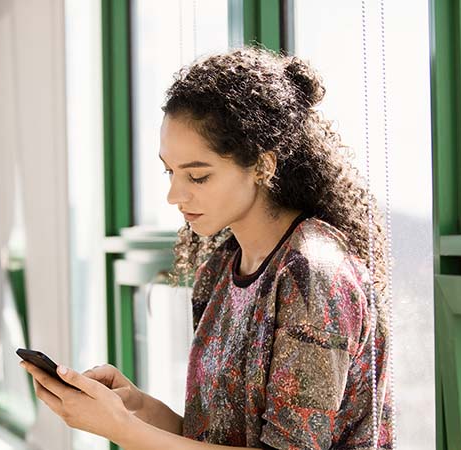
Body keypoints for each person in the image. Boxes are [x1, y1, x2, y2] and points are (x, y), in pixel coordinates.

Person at [20, 46, 393, 450]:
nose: (174, 195)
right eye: (170, 171)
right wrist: (136, 409)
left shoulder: (315, 275)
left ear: (264, 165)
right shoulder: (219, 269)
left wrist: (123, 431)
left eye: (197, 177)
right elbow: (216, 438)